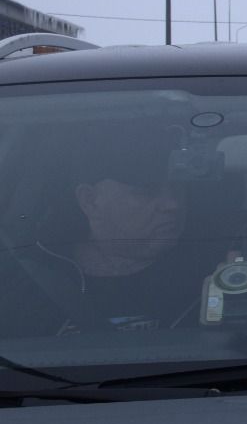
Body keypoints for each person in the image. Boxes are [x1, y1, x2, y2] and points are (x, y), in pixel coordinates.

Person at [16, 130, 211, 334]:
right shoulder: (31, 279)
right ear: (89, 201)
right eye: (147, 190)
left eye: (179, 188)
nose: (173, 204)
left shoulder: (219, 267)